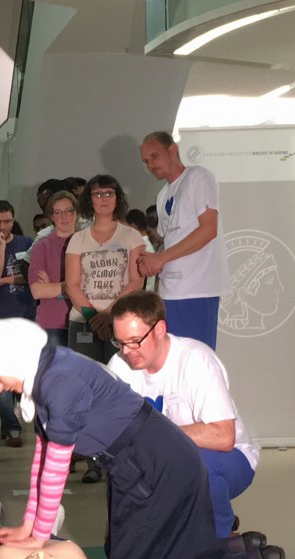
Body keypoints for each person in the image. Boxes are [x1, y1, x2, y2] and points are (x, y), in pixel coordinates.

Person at [0, 318, 284, 559]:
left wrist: (38, 536)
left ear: (12, 359)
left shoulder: (59, 380)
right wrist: (29, 527)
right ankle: (243, 548)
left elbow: (56, 466)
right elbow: (42, 456)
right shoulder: (48, 370)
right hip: (138, 468)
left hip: (158, 468)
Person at [108, 291, 258, 538]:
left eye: (135, 341)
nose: (127, 351)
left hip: (230, 458)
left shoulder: (196, 360)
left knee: (196, 466)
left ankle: (224, 545)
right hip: (163, 460)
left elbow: (223, 436)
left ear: (159, 330)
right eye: (120, 342)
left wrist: (155, 434)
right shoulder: (119, 366)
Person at [64, 174, 145, 482]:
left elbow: (137, 282)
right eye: (97, 194)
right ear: (90, 200)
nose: (103, 198)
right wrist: (93, 316)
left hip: (120, 323)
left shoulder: (131, 238)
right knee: (85, 394)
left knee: (119, 391)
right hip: (83, 324)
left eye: (109, 193)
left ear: (117, 198)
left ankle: (121, 454)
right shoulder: (78, 239)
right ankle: (92, 460)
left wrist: (109, 315)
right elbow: (72, 284)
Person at [137, 131, 228, 349]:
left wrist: (159, 259)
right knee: (172, 362)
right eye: (146, 161)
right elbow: (169, 240)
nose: (151, 165)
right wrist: (151, 261)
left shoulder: (198, 177)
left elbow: (208, 230)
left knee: (196, 361)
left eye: (155, 156)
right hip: (170, 291)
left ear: (172, 150)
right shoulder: (163, 194)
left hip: (196, 289)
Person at [0, 199, 36, 448]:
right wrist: (2, 247)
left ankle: (37, 421)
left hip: (26, 317)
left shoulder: (27, 243)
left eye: (6, 221)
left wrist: (7, 281)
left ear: (13, 219)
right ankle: (11, 428)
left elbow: (32, 278)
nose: (3, 226)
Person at [28, 190, 77, 348]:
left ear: (76, 214)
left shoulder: (86, 243)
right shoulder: (42, 247)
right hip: (51, 324)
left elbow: (91, 287)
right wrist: (72, 286)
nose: (64, 217)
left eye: (69, 211)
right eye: (58, 212)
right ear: (52, 217)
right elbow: (38, 291)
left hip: (82, 321)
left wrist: (53, 287)